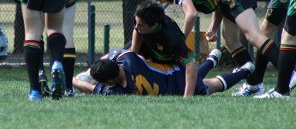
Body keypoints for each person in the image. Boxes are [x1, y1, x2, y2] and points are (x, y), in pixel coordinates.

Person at [147, 0, 296, 98]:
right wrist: (213, 28)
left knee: (252, 35)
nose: (162, 2)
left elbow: (191, 14)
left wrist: (180, 40)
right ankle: (254, 85)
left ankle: (288, 75)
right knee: (229, 38)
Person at [72, 48, 255, 96]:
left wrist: (71, 79)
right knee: (197, 74)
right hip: (176, 71)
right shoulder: (128, 59)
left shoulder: (119, 90)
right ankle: (212, 60)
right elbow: (113, 55)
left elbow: (87, 87)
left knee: (211, 86)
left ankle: (245, 71)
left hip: (178, 89)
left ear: (108, 82)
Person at [130, 0, 198, 97]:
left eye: (140, 25)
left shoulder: (171, 38)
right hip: (152, 50)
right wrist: (133, 53)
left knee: (200, 86)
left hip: (171, 62)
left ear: (154, 25)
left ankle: (213, 59)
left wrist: (187, 97)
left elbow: (191, 63)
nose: (136, 27)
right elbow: (137, 29)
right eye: (136, 23)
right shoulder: (142, 21)